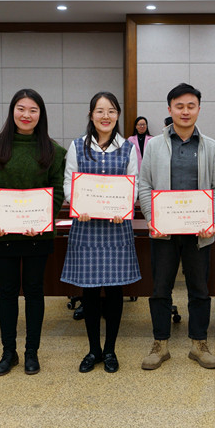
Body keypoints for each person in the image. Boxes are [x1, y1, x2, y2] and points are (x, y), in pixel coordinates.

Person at [0, 89, 66, 376]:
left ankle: (31, 352)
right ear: (12, 111)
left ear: (41, 114)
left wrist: (42, 220)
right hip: (3, 234)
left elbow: (57, 191)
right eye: (21, 109)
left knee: (35, 292)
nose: (26, 115)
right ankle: (8, 352)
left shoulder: (52, 151)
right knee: (7, 293)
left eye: (33, 110)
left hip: (37, 234)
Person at [138, 83, 215, 370]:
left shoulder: (211, 146)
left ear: (199, 109)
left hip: (199, 233)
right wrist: (152, 219)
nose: (185, 111)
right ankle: (160, 344)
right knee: (160, 289)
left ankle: (199, 344)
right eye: (179, 106)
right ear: (170, 109)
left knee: (199, 289)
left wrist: (212, 221)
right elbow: (144, 185)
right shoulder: (154, 145)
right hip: (163, 232)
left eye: (191, 106)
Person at [61, 92, 141, 374]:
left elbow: (133, 184)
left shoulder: (128, 148)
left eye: (111, 111)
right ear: (91, 115)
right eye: (100, 111)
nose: (105, 116)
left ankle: (110, 350)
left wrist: (125, 206)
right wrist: (77, 203)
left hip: (117, 227)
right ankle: (93, 349)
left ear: (117, 115)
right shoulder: (77, 146)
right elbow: (69, 182)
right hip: (86, 227)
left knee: (116, 291)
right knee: (90, 292)